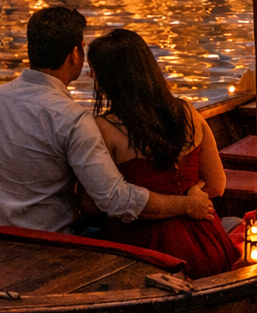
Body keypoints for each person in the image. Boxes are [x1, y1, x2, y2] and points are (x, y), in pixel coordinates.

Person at [0, 7, 214, 234]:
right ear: (75, 54)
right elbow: (115, 200)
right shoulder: (71, 118)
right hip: (46, 244)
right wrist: (186, 205)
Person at [87, 28, 239, 278]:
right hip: (209, 244)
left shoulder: (104, 129)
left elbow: (92, 205)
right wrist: (189, 199)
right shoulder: (189, 113)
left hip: (146, 256)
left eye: (93, 70)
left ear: (108, 77)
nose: (92, 76)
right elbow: (217, 184)